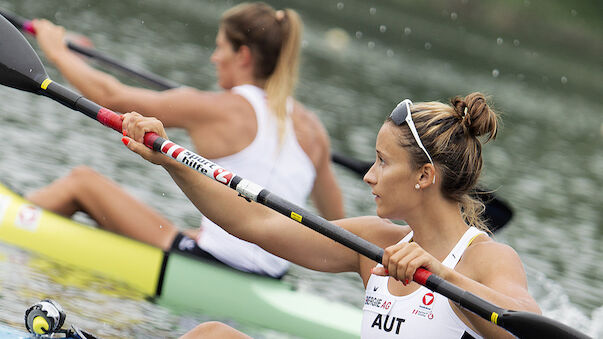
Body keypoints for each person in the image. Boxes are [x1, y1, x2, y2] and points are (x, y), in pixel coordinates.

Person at [120, 92, 541, 338]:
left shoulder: (487, 259)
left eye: (381, 162)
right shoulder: (378, 242)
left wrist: (443, 277)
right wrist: (171, 158)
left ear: (424, 175)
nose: (369, 177)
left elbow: (530, 330)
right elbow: (254, 224)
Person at [26, 2, 344, 278]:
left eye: (220, 47)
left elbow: (112, 96)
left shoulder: (219, 107)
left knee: (82, 183)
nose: (213, 57)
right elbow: (341, 227)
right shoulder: (314, 130)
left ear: (243, 56)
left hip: (211, 264)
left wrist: (56, 51)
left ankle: (14, 224)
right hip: (272, 273)